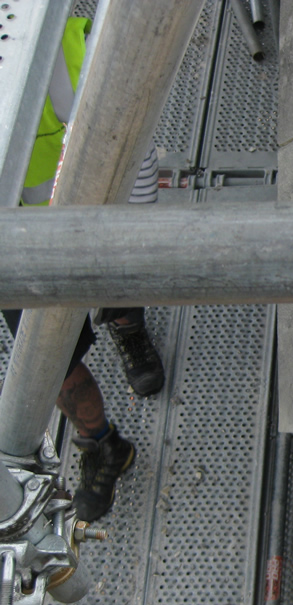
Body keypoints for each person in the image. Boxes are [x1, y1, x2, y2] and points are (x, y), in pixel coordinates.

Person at [1, 17, 164, 521]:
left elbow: (128, 142)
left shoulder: (68, 56)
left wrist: (134, 232)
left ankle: (126, 324)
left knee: (116, 275)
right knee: (52, 367)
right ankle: (104, 446)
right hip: (13, 246)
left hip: (90, 200)